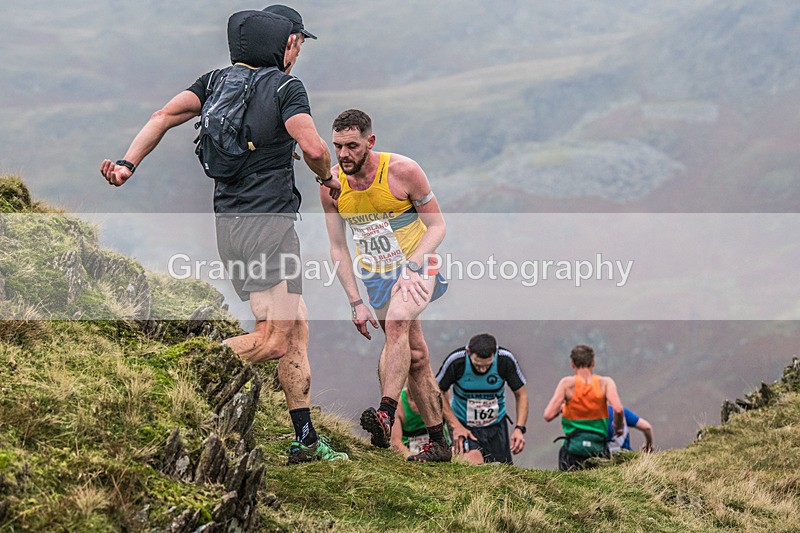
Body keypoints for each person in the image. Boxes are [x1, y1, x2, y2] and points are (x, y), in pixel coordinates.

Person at [100, 6, 347, 464]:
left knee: (295, 327)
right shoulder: (286, 87)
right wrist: (327, 176)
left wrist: (126, 165)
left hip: (230, 227)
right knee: (274, 339)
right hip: (271, 227)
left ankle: (306, 440)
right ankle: (168, 373)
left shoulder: (213, 82)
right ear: (287, 43)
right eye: (298, 42)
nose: (298, 50)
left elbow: (162, 115)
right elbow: (313, 147)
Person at [319, 109, 450, 462]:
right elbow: (337, 247)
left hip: (419, 264)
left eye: (352, 146)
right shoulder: (331, 186)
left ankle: (385, 414)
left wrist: (412, 265)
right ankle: (439, 443)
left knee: (396, 324)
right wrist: (354, 302)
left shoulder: (403, 171)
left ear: (370, 142)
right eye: (337, 146)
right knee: (416, 355)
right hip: (376, 275)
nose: (344, 154)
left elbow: (437, 227)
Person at [435, 333, 528, 465]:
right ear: (468, 352)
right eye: (478, 365)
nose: (483, 370)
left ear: (494, 354)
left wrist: (519, 428)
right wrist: (455, 425)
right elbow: (437, 391)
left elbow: (521, 394)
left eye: (487, 365)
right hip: (464, 425)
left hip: (496, 426)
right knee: (472, 462)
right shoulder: (457, 361)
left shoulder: (505, 360)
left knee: (501, 472)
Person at [543, 344, 624, 471]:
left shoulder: (567, 384)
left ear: (572, 363)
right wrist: (618, 427)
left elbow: (548, 415)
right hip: (599, 449)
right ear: (593, 362)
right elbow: (618, 409)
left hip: (573, 450)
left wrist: (563, 408)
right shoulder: (605, 383)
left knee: (570, 488)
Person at [390, 387, 450, 458]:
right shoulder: (399, 402)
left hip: (439, 450)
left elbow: (451, 420)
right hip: (409, 451)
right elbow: (395, 441)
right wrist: (414, 457)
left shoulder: (438, 394)